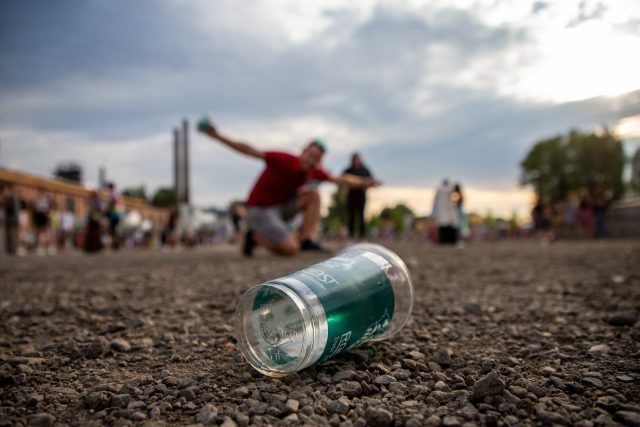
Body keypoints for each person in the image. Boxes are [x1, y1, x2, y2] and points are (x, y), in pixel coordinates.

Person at [198, 117, 380, 256]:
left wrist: (365, 182)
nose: (312, 160)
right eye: (311, 154)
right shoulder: (282, 160)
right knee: (290, 249)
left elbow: (340, 180)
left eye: (317, 158)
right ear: (303, 151)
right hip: (259, 210)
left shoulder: (313, 171)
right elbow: (249, 150)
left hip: (280, 208)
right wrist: (218, 136)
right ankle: (253, 237)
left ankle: (307, 239)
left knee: (313, 194)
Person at [342, 153, 375, 239]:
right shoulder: (348, 170)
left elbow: (371, 180)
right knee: (351, 215)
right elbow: (342, 180)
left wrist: (367, 184)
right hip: (351, 196)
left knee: (361, 215)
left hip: (361, 196)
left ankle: (362, 234)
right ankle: (351, 234)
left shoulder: (365, 170)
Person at [431, 179, 458, 244]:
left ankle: (443, 241)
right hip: (448, 212)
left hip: (442, 212)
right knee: (449, 227)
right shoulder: (450, 190)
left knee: (443, 227)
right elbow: (454, 201)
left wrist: (434, 212)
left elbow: (435, 203)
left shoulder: (439, 191)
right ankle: (449, 241)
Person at [106, 183, 124, 250]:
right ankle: (116, 244)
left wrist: (107, 210)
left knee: (113, 230)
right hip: (119, 214)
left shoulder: (112, 193)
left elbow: (112, 202)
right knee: (115, 229)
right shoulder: (118, 193)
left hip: (114, 214)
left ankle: (115, 244)